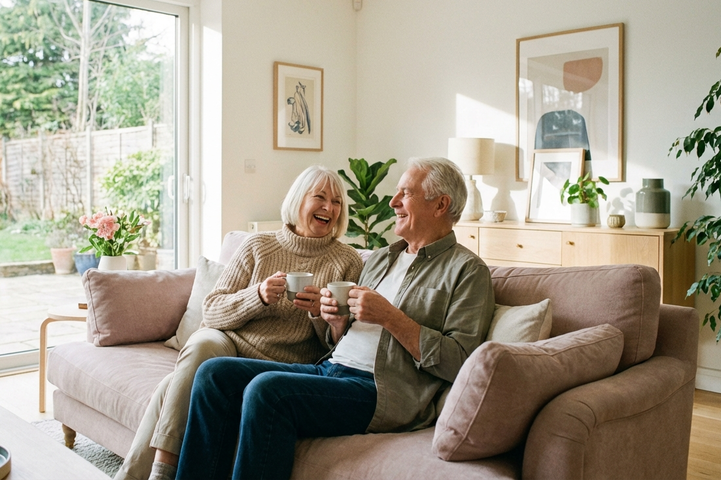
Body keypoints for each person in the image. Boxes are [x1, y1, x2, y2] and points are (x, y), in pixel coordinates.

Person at [175, 157, 496, 480]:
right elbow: (344, 338)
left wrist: (390, 317)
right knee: (215, 374)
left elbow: (461, 361)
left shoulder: (467, 271)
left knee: (267, 391)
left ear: (441, 205)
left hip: (382, 391)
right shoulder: (384, 258)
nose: (393, 202)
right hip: (331, 369)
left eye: (405, 194)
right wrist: (336, 322)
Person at [114, 165, 363, 480]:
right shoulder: (258, 246)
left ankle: (141, 475)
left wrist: (318, 314)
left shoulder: (347, 261)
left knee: (171, 387)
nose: (329, 207)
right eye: (320, 197)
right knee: (203, 344)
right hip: (231, 346)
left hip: (287, 365)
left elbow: (341, 346)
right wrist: (257, 296)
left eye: (337, 201)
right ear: (299, 200)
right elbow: (213, 311)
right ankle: (162, 472)